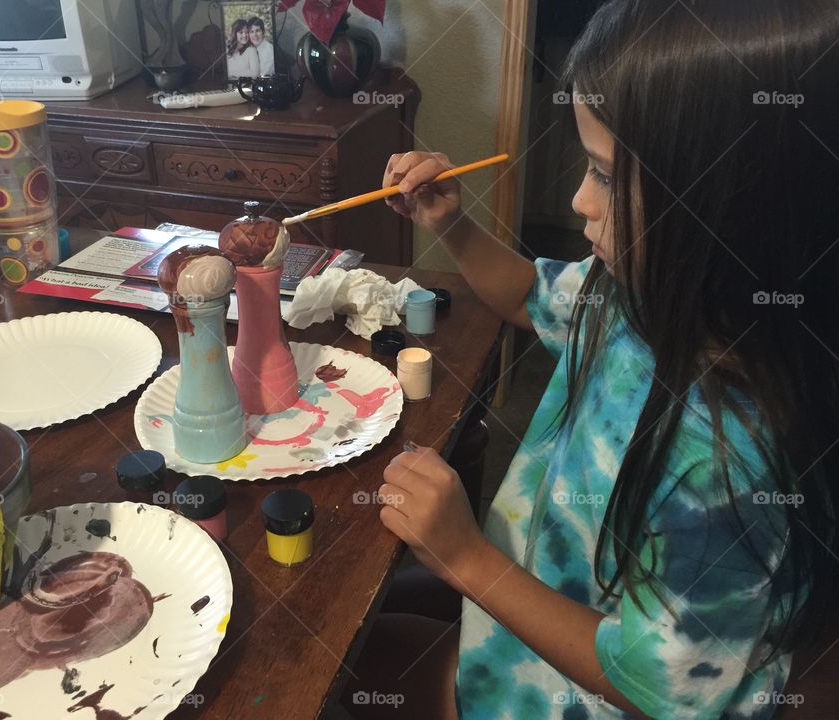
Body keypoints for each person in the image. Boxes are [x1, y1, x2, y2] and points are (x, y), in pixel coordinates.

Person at [346, 0, 839, 717]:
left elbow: (657, 693)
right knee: (377, 632)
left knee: (348, 667)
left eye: (606, 176)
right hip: (527, 624)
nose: (578, 199)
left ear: (730, 200)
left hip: (574, 694)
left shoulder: (723, 462)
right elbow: (526, 296)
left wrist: (466, 559)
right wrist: (450, 225)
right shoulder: (640, 294)